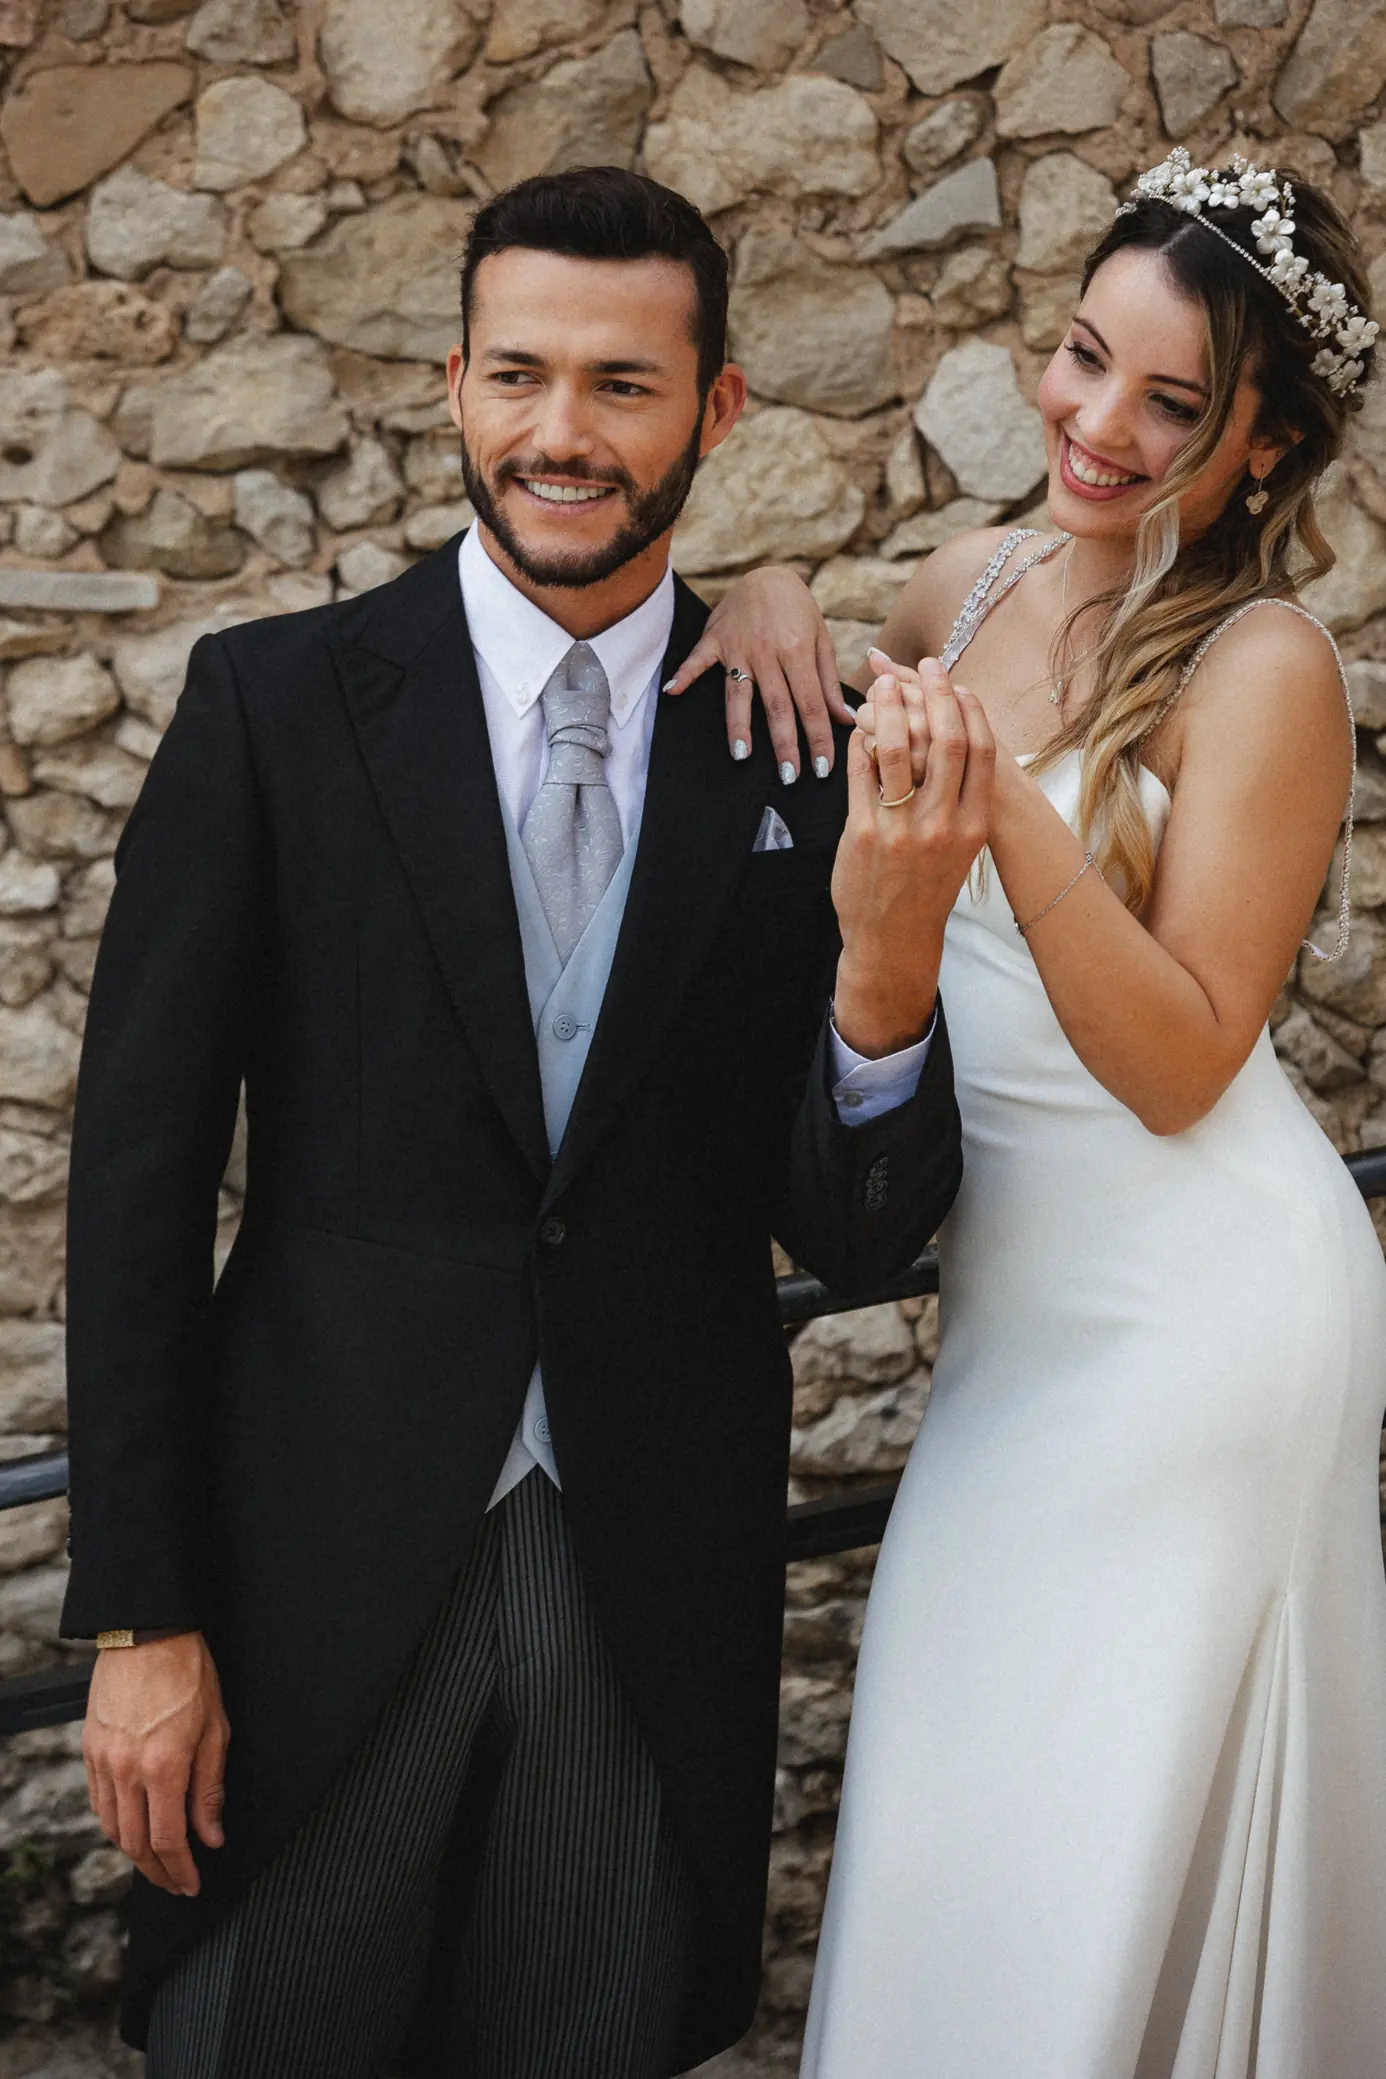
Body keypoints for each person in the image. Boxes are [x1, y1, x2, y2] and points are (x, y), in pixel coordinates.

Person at [59, 166, 987, 2079]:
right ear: (456, 386)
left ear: (717, 408)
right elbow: (135, 1191)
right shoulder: (275, 708)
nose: (560, 435)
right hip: (313, 1573)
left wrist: (884, 969)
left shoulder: (800, 750)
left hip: (646, 1580)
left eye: (623, 386)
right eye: (518, 376)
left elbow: (860, 1233)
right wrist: (139, 1614)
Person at [684, 150, 1386, 2076]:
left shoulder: (1265, 668)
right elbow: (857, 779)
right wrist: (767, 601)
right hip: (1016, 1332)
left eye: (1171, 404)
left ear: (1265, 445)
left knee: (1100, 1841)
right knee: (949, 1833)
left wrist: (997, 791)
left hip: (1202, 1324)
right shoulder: (964, 577)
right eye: (1084, 359)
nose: (1094, 423)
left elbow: (1177, 1059)